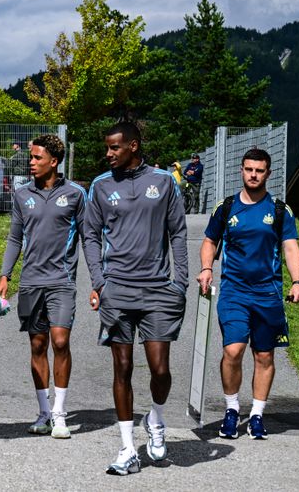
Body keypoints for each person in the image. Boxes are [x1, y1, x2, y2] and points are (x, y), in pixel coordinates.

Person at [82, 122, 188, 475]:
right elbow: (91, 237)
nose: (108, 153)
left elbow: (178, 232)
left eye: (114, 148)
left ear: (133, 146)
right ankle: (127, 448)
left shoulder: (163, 181)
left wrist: (181, 282)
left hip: (158, 290)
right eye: (107, 148)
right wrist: (100, 282)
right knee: (122, 367)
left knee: (160, 369)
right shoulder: (99, 186)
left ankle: (155, 419)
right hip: (118, 291)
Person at [197, 147, 299, 440]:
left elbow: (291, 246)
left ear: (268, 173)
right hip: (234, 291)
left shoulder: (280, 210)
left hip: (268, 294)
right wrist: (207, 268)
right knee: (233, 350)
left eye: (259, 170)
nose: (253, 175)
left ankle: (256, 415)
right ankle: (232, 410)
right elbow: (209, 241)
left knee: (264, 356)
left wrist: (298, 282)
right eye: (248, 169)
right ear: (242, 171)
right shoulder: (227, 207)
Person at [0, 134, 86, 439]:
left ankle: (59, 414)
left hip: (62, 281)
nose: (30, 162)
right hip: (31, 282)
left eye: (36, 158)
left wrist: (101, 279)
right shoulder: (22, 195)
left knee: (60, 341)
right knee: (38, 345)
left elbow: (90, 237)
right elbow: (14, 238)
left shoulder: (75, 194)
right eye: (31, 157)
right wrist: (5, 275)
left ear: (54, 161)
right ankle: (43, 412)